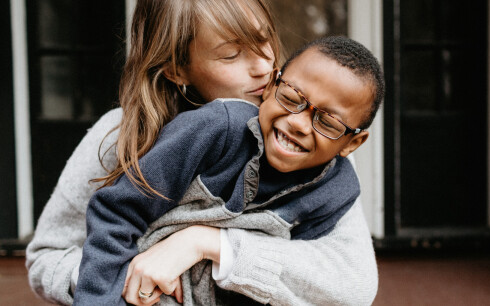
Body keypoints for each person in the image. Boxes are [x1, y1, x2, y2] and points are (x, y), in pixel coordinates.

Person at [25, 0, 378, 305]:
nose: (262, 65)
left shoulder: (319, 143)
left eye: (263, 39)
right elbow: (46, 258)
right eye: (231, 54)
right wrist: (128, 282)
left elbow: (351, 281)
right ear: (177, 69)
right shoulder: (119, 136)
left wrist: (207, 245)